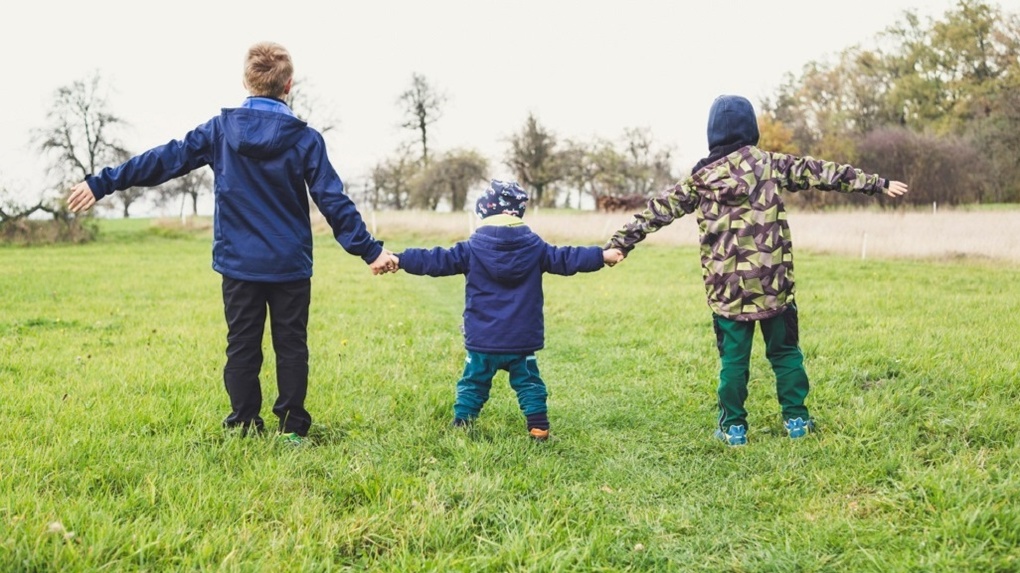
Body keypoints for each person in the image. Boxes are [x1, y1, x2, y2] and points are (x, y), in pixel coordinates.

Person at [66, 41, 396, 445]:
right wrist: (370, 250)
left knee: (241, 347)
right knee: (291, 345)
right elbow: (332, 200)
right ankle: (292, 429)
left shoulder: (220, 131)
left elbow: (164, 160)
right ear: (288, 84)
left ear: (246, 80)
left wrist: (103, 182)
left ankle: (243, 423)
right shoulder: (306, 139)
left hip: (239, 264)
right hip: (289, 264)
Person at [605, 94, 909, 446]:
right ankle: (796, 420)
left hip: (728, 292)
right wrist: (877, 183)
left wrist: (621, 243)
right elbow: (821, 172)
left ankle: (734, 428)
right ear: (751, 129)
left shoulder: (700, 180)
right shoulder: (769, 165)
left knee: (733, 362)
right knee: (785, 353)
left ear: (713, 134)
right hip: (774, 284)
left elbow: (657, 211)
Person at [391, 180, 624, 441]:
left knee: (473, 382)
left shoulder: (470, 248)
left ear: (485, 213)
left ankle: (462, 424)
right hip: (521, 339)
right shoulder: (536, 248)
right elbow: (567, 257)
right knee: (529, 383)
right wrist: (601, 256)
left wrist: (401, 259)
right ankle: (538, 427)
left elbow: (435, 260)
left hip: (483, 339)